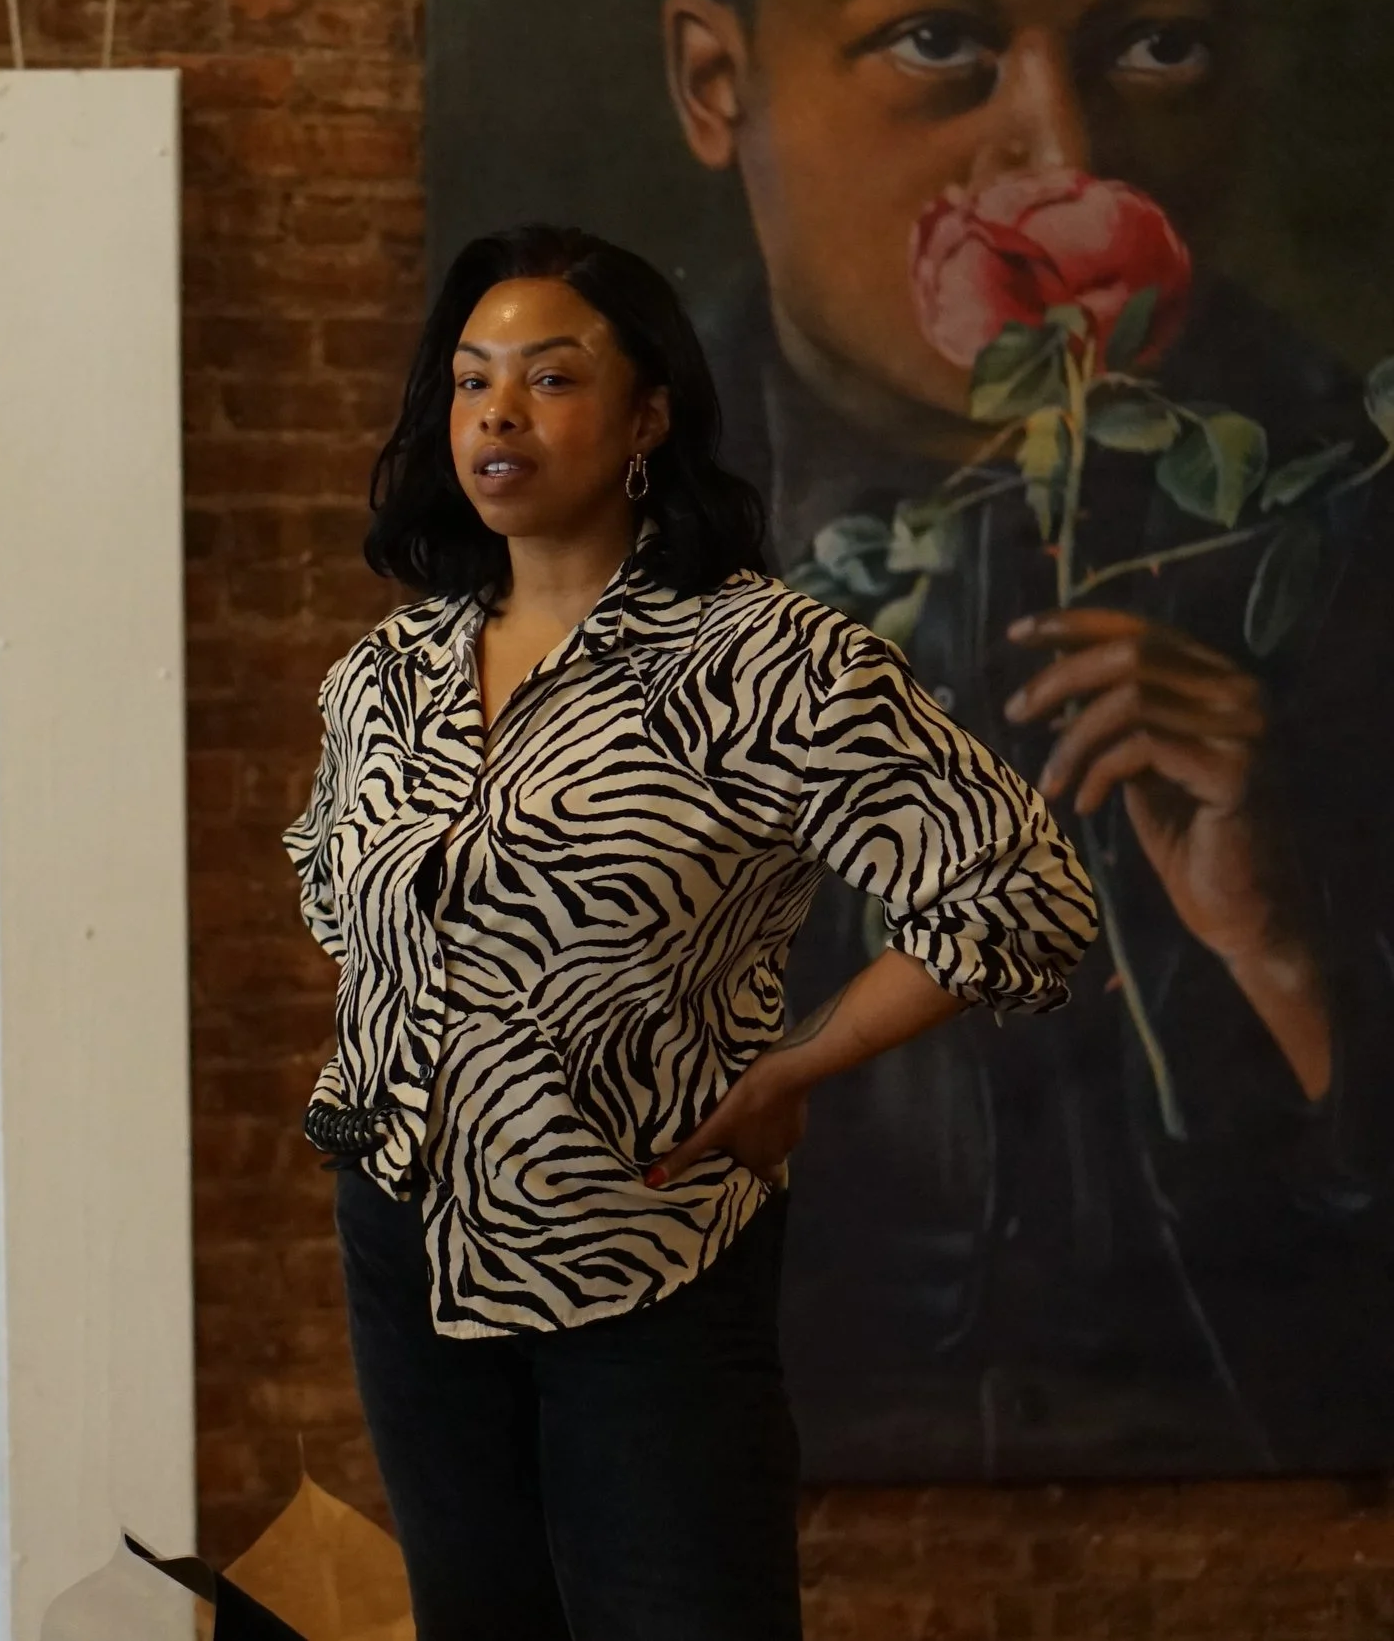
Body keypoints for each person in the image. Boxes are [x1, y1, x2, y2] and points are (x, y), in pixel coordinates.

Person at [286, 224, 1097, 1639]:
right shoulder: (386, 674)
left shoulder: (764, 659)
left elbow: (1018, 892)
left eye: (550, 377)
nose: (498, 414)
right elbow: (346, 915)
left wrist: (795, 1065)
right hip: (408, 1243)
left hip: (645, 1246)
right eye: (474, 381)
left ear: (648, 413)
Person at [659, 0, 1394, 1476]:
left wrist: (1294, 967)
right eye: (940, 41)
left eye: (1158, 44)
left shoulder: (1344, 515)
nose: (1065, 154)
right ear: (715, 83)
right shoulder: (603, 565)